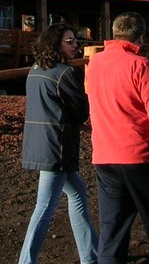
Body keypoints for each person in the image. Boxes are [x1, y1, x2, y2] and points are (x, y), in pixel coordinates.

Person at [88, 11, 149, 263]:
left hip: (104, 155)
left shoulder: (95, 63)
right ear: (140, 38)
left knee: (112, 226)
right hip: (139, 154)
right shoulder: (140, 65)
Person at [18, 24, 97, 264]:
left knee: (77, 194)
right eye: (70, 41)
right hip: (57, 146)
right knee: (44, 206)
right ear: (56, 44)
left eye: (75, 41)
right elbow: (81, 110)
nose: (75, 45)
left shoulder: (35, 69)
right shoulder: (65, 73)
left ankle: (90, 255)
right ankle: (26, 260)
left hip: (38, 141)